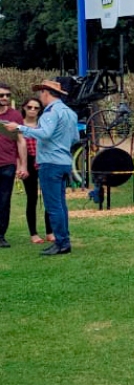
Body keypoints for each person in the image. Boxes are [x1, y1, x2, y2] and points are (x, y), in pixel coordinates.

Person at [5, 79, 79, 256]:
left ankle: (61, 243)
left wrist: (19, 127)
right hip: (64, 162)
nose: (40, 97)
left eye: (40, 93)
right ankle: (64, 239)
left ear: (46, 93)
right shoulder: (70, 113)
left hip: (50, 163)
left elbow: (44, 133)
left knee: (53, 206)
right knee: (60, 204)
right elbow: (75, 138)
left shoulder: (49, 113)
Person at [0, 81, 29, 249]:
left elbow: (20, 141)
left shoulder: (15, 116)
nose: (4, 98)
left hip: (7, 164)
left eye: (7, 95)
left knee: (4, 201)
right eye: (1, 95)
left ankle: (1, 235)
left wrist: (23, 165)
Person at [20, 97, 52, 244]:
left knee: (48, 198)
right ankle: (33, 233)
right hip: (29, 162)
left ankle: (50, 231)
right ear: (24, 108)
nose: (32, 110)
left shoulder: (44, 125)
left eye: (36, 108)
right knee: (31, 198)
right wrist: (22, 166)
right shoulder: (18, 126)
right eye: (29, 107)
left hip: (44, 161)